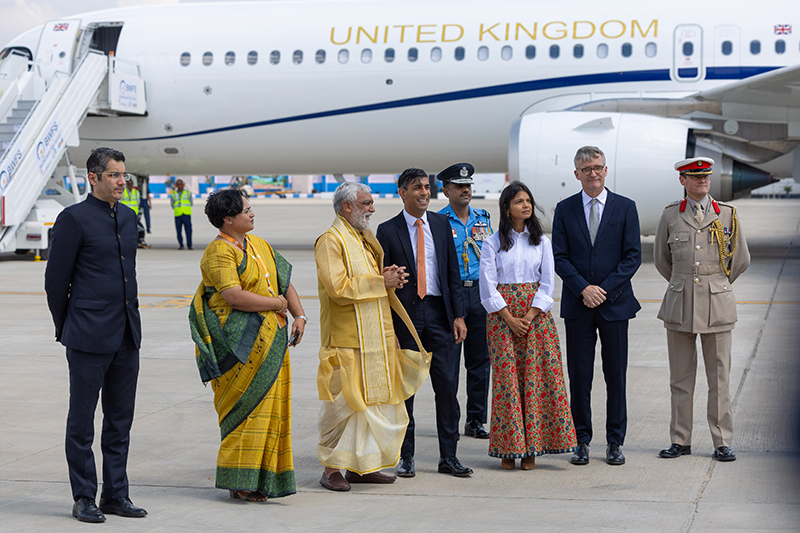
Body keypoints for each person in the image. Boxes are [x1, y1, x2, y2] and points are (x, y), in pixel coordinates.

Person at [44, 147, 147, 523]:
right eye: (114, 175)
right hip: (87, 336)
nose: (122, 182)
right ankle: (84, 496)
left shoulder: (129, 217)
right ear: (93, 178)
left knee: (120, 421)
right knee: (82, 422)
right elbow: (56, 281)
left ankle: (116, 494)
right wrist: (67, 325)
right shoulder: (73, 219)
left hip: (126, 335)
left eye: (124, 175)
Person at [189, 188, 306, 501]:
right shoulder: (218, 252)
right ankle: (240, 481)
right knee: (245, 412)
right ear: (228, 219)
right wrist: (276, 304)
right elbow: (233, 296)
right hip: (239, 348)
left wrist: (299, 315)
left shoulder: (259, 245)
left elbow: (284, 281)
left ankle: (263, 479)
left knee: (272, 412)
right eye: (246, 210)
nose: (253, 214)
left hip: (272, 342)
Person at [315, 182, 431, 492]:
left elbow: (375, 288)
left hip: (375, 337)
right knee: (343, 407)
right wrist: (382, 280)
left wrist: (389, 330)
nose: (372, 208)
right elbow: (338, 288)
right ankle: (331, 469)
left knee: (370, 406)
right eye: (366, 203)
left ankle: (361, 468)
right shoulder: (331, 240)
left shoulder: (364, 239)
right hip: (346, 340)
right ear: (346, 207)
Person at [376, 168, 471, 478]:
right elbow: (383, 279)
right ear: (402, 193)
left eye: (427, 187)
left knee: (447, 388)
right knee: (406, 391)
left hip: (440, 315)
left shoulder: (441, 225)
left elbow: (453, 273)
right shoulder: (387, 230)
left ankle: (449, 456)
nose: (424, 193)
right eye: (417, 187)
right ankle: (406, 456)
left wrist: (458, 315)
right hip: (407, 317)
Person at [654, 157, 750, 462]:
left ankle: (722, 441)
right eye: (695, 177)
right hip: (680, 305)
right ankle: (680, 440)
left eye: (705, 176)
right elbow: (661, 259)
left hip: (717, 304)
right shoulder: (671, 215)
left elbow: (741, 259)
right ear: (683, 180)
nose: (702, 181)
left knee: (719, 379)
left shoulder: (727, 214)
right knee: (680, 380)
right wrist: (683, 283)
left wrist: (717, 283)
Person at [551, 146, 642, 467]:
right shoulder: (565, 209)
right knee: (579, 377)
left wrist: (602, 290)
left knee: (616, 376)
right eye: (587, 169)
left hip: (614, 305)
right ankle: (581, 440)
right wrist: (583, 289)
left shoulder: (625, 207)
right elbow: (559, 256)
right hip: (578, 306)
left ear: (606, 170)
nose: (593, 173)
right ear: (576, 174)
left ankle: (615, 441)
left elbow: (632, 256)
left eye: (598, 167)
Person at [479, 181, 577, 470]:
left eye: (528, 201)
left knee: (536, 379)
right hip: (502, 319)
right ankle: (508, 448)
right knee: (507, 381)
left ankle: (532, 448)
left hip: (536, 318)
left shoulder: (542, 242)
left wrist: (530, 315)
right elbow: (488, 286)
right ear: (506, 208)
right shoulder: (492, 242)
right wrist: (509, 318)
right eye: (519, 201)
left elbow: (547, 283)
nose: (526, 206)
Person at [438, 163, 492, 439]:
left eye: (468, 185)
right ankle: (450, 421)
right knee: (449, 364)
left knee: (480, 362)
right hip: (453, 294)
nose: (465, 190)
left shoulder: (483, 218)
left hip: (480, 293)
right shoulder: (438, 221)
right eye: (459, 186)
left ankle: (475, 419)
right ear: (446, 190)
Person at [121, 178, 150, 249]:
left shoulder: (136, 192)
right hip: (124, 214)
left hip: (134, 214)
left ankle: (137, 241)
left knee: (137, 228)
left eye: (131, 183)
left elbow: (138, 202)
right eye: (128, 183)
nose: (130, 185)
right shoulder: (122, 192)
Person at [170, 178, 193, 250]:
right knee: (178, 231)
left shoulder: (188, 193)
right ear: (176, 185)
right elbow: (172, 204)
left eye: (181, 184)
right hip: (178, 215)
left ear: (183, 185)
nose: (179, 185)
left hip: (186, 214)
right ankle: (181, 244)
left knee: (188, 231)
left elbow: (191, 202)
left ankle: (189, 245)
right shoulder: (173, 194)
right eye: (178, 184)